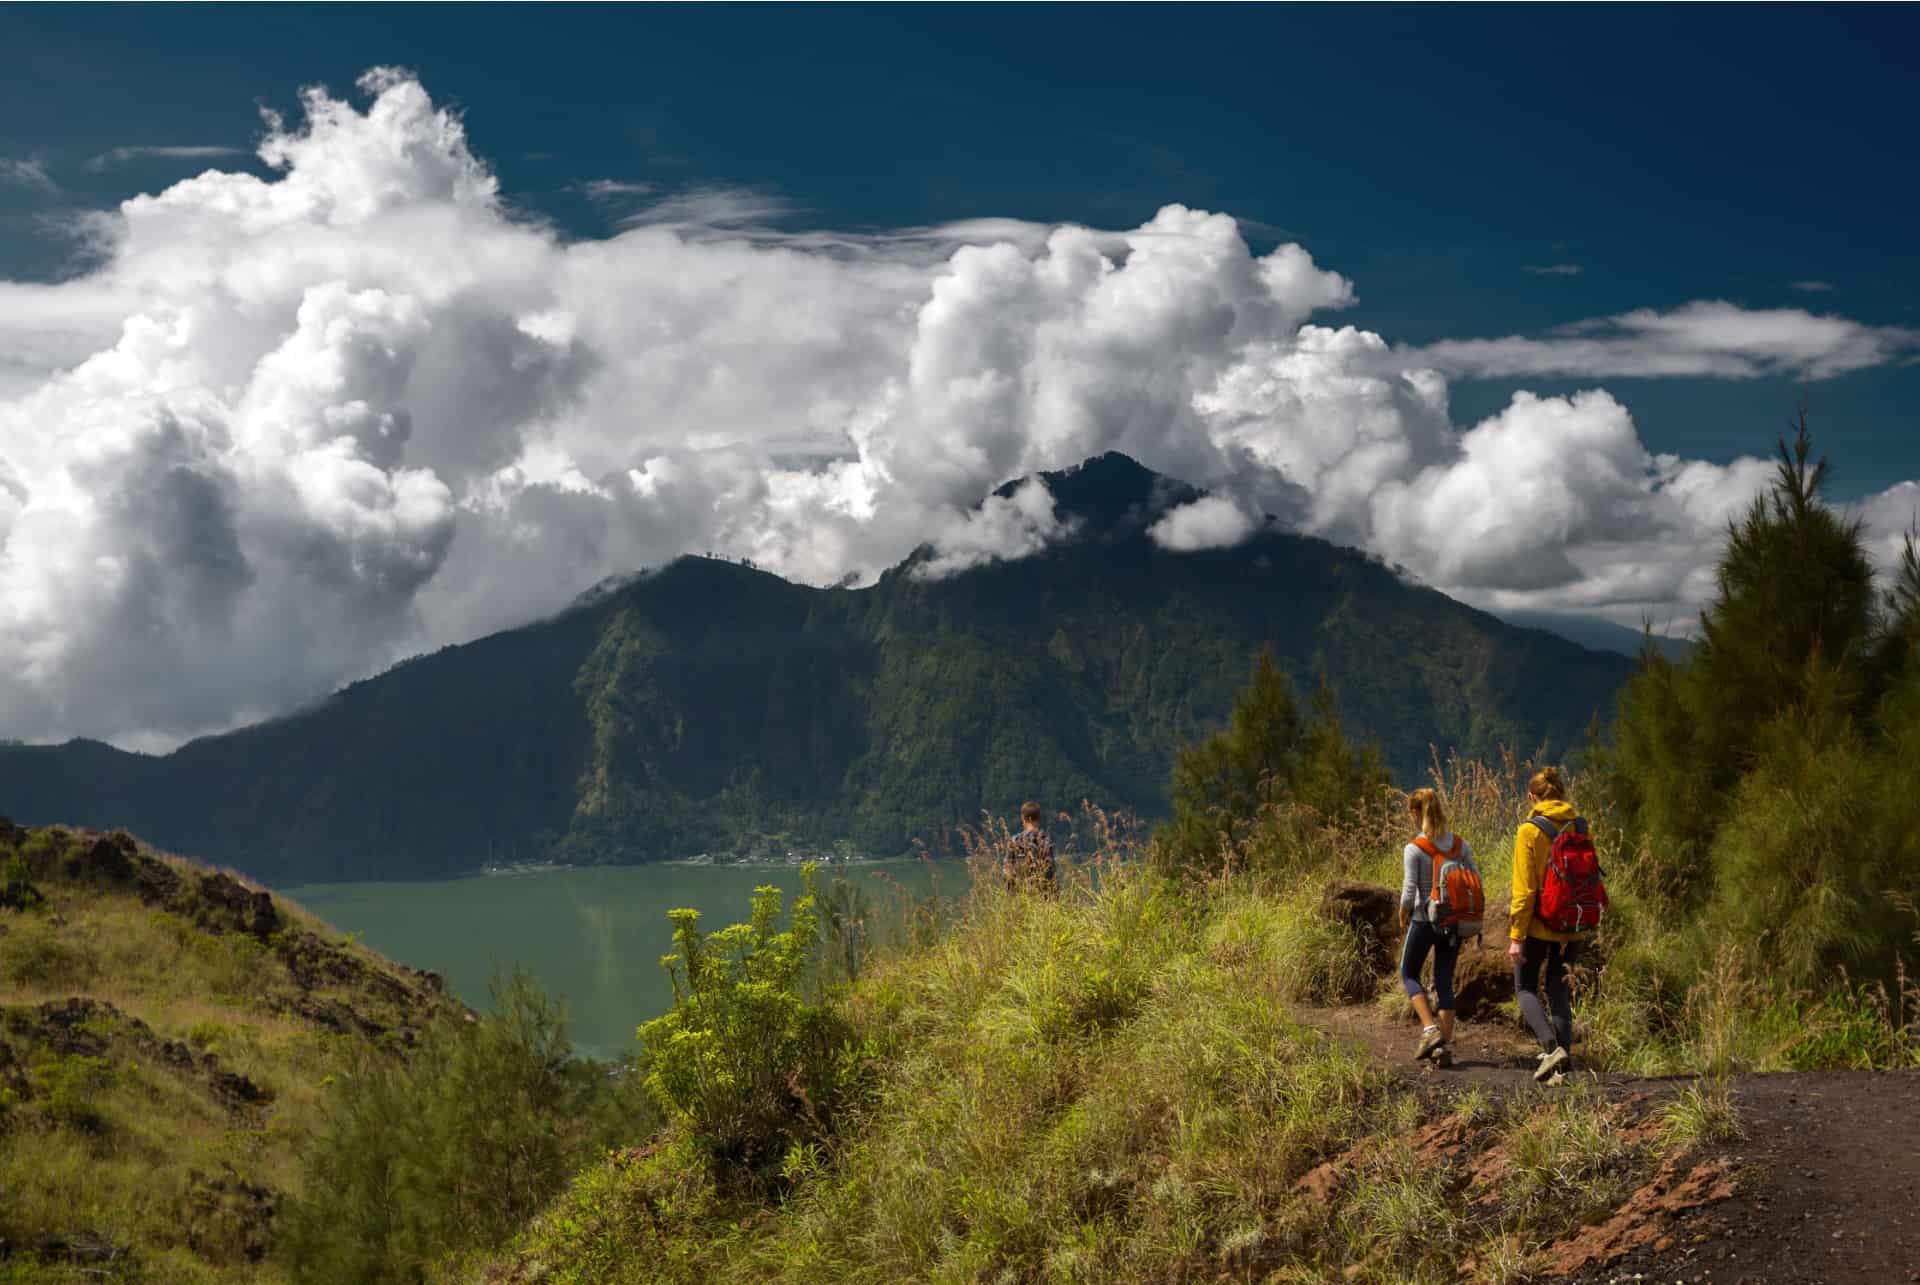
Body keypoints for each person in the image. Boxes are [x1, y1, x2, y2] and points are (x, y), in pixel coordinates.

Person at [1509, 766, 1586, 1085]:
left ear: (1532, 798)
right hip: (1576, 921)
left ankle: (1551, 1048)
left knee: (1525, 986)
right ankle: (1563, 1060)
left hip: (1541, 924)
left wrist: (1516, 936)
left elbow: (1525, 890)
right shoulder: (1580, 825)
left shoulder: (1529, 830)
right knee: (1558, 987)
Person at [1399, 787, 1477, 1065]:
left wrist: (1402, 912)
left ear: (1416, 813)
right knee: (1444, 982)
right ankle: (1443, 1048)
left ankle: (1430, 1030)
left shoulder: (1414, 849)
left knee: (1408, 973)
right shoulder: (1459, 845)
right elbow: (1475, 880)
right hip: (1453, 923)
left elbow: (1409, 892)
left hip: (1423, 920)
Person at [1004, 801, 1057, 893]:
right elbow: (1050, 870)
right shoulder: (1045, 840)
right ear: (1039, 818)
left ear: (1023, 818)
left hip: (1020, 894)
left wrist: (1010, 892)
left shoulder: (1015, 840)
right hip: (1041, 894)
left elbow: (1007, 870)